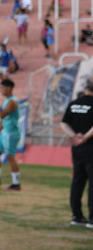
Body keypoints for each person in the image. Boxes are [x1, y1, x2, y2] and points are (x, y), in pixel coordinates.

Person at [60, 78, 93, 227]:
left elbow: (63, 123)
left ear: (85, 88)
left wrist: (74, 136)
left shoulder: (74, 104)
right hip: (90, 147)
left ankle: (76, 216)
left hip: (77, 149)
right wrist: (85, 137)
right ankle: (92, 219)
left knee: (77, 181)